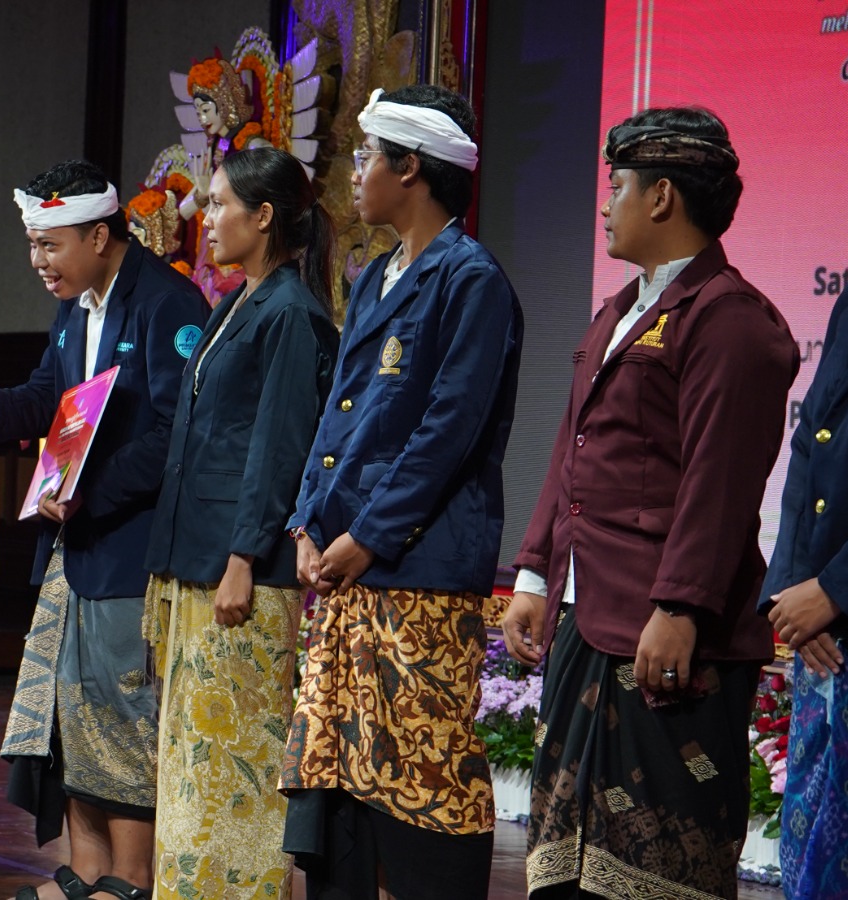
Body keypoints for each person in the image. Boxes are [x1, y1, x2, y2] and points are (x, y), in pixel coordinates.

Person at [504, 107, 798, 899]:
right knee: (561, 865)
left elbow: (721, 482)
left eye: (617, 187)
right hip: (587, 618)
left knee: (654, 869)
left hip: (666, 635)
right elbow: (571, 450)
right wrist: (535, 575)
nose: (605, 204)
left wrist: (681, 606)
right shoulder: (620, 313)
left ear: (662, 197)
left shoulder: (731, 321)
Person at [281, 84, 522, 900]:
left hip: (414, 569)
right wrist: (309, 522)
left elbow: (446, 436)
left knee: (423, 783)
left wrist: (369, 535)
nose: (354, 172)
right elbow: (338, 414)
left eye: (367, 156)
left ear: (411, 167)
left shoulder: (470, 279)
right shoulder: (380, 271)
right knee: (340, 789)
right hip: (346, 568)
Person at [0, 159, 208, 900]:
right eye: (34, 245)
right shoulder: (78, 306)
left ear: (101, 235)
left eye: (51, 245)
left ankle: (131, 878)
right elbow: (51, 394)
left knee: (123, 710)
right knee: (70, 712)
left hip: (130, 547)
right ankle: (83, 872)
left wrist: (89, 493)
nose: (38, 263)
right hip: (74, 547)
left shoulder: (169, 304)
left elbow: (179, 432)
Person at [143, 146, 338, 900]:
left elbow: (280, 446)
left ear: (264, 217)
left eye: (221, 203)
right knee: (193, 764)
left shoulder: (291, 311)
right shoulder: (235, 304)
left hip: (240, 571)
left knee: (234, 766)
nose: (206, 216)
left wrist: (244, 556)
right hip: (196, 560)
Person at [766, 278, 848, 898]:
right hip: (827, 631)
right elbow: (811, 438)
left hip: (842, 603)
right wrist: (795, 586)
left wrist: (838, 588)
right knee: (812, 852)